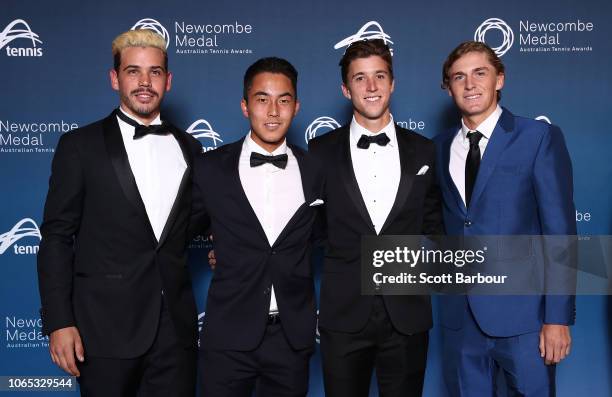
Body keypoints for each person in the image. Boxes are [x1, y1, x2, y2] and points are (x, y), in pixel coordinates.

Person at [37, 29, 201, 396]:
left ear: (168, 80)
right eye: (133, 71)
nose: (145, 82)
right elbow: (57, 238)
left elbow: (197, 221)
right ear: (114, 79)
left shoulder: (190, 148)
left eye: (155, 72)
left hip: (175, 335)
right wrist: (59, 322)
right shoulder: (80, 147)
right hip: (102, 332)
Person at [434, 41, 576, 396]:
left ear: (499, 79)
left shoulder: (538, 137)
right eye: (458, 77)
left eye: (479, 73)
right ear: (448, 87)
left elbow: (560, 232)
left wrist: (557, 318)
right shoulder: (437, 146)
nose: (469, 84)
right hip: (461, 322)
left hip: (525, 321)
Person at [308, 39, 444, 397]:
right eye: (360, 78)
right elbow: (308, 228)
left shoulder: (424, 149)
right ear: (345, 88)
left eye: (379, 76)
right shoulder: (319, 153)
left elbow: (438, 224)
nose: (371, 88)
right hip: (343, 315)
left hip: (407, 316)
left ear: (392, 83)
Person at [191, 57, 322, 397]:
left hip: (290, 338)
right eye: (262, 99)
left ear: (296, 106)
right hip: (227, 338)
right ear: (245, 106)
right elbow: (175, 235)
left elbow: (328, 237)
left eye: (284, 100)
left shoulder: (316, 171)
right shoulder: (210, 168)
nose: (274, 111)